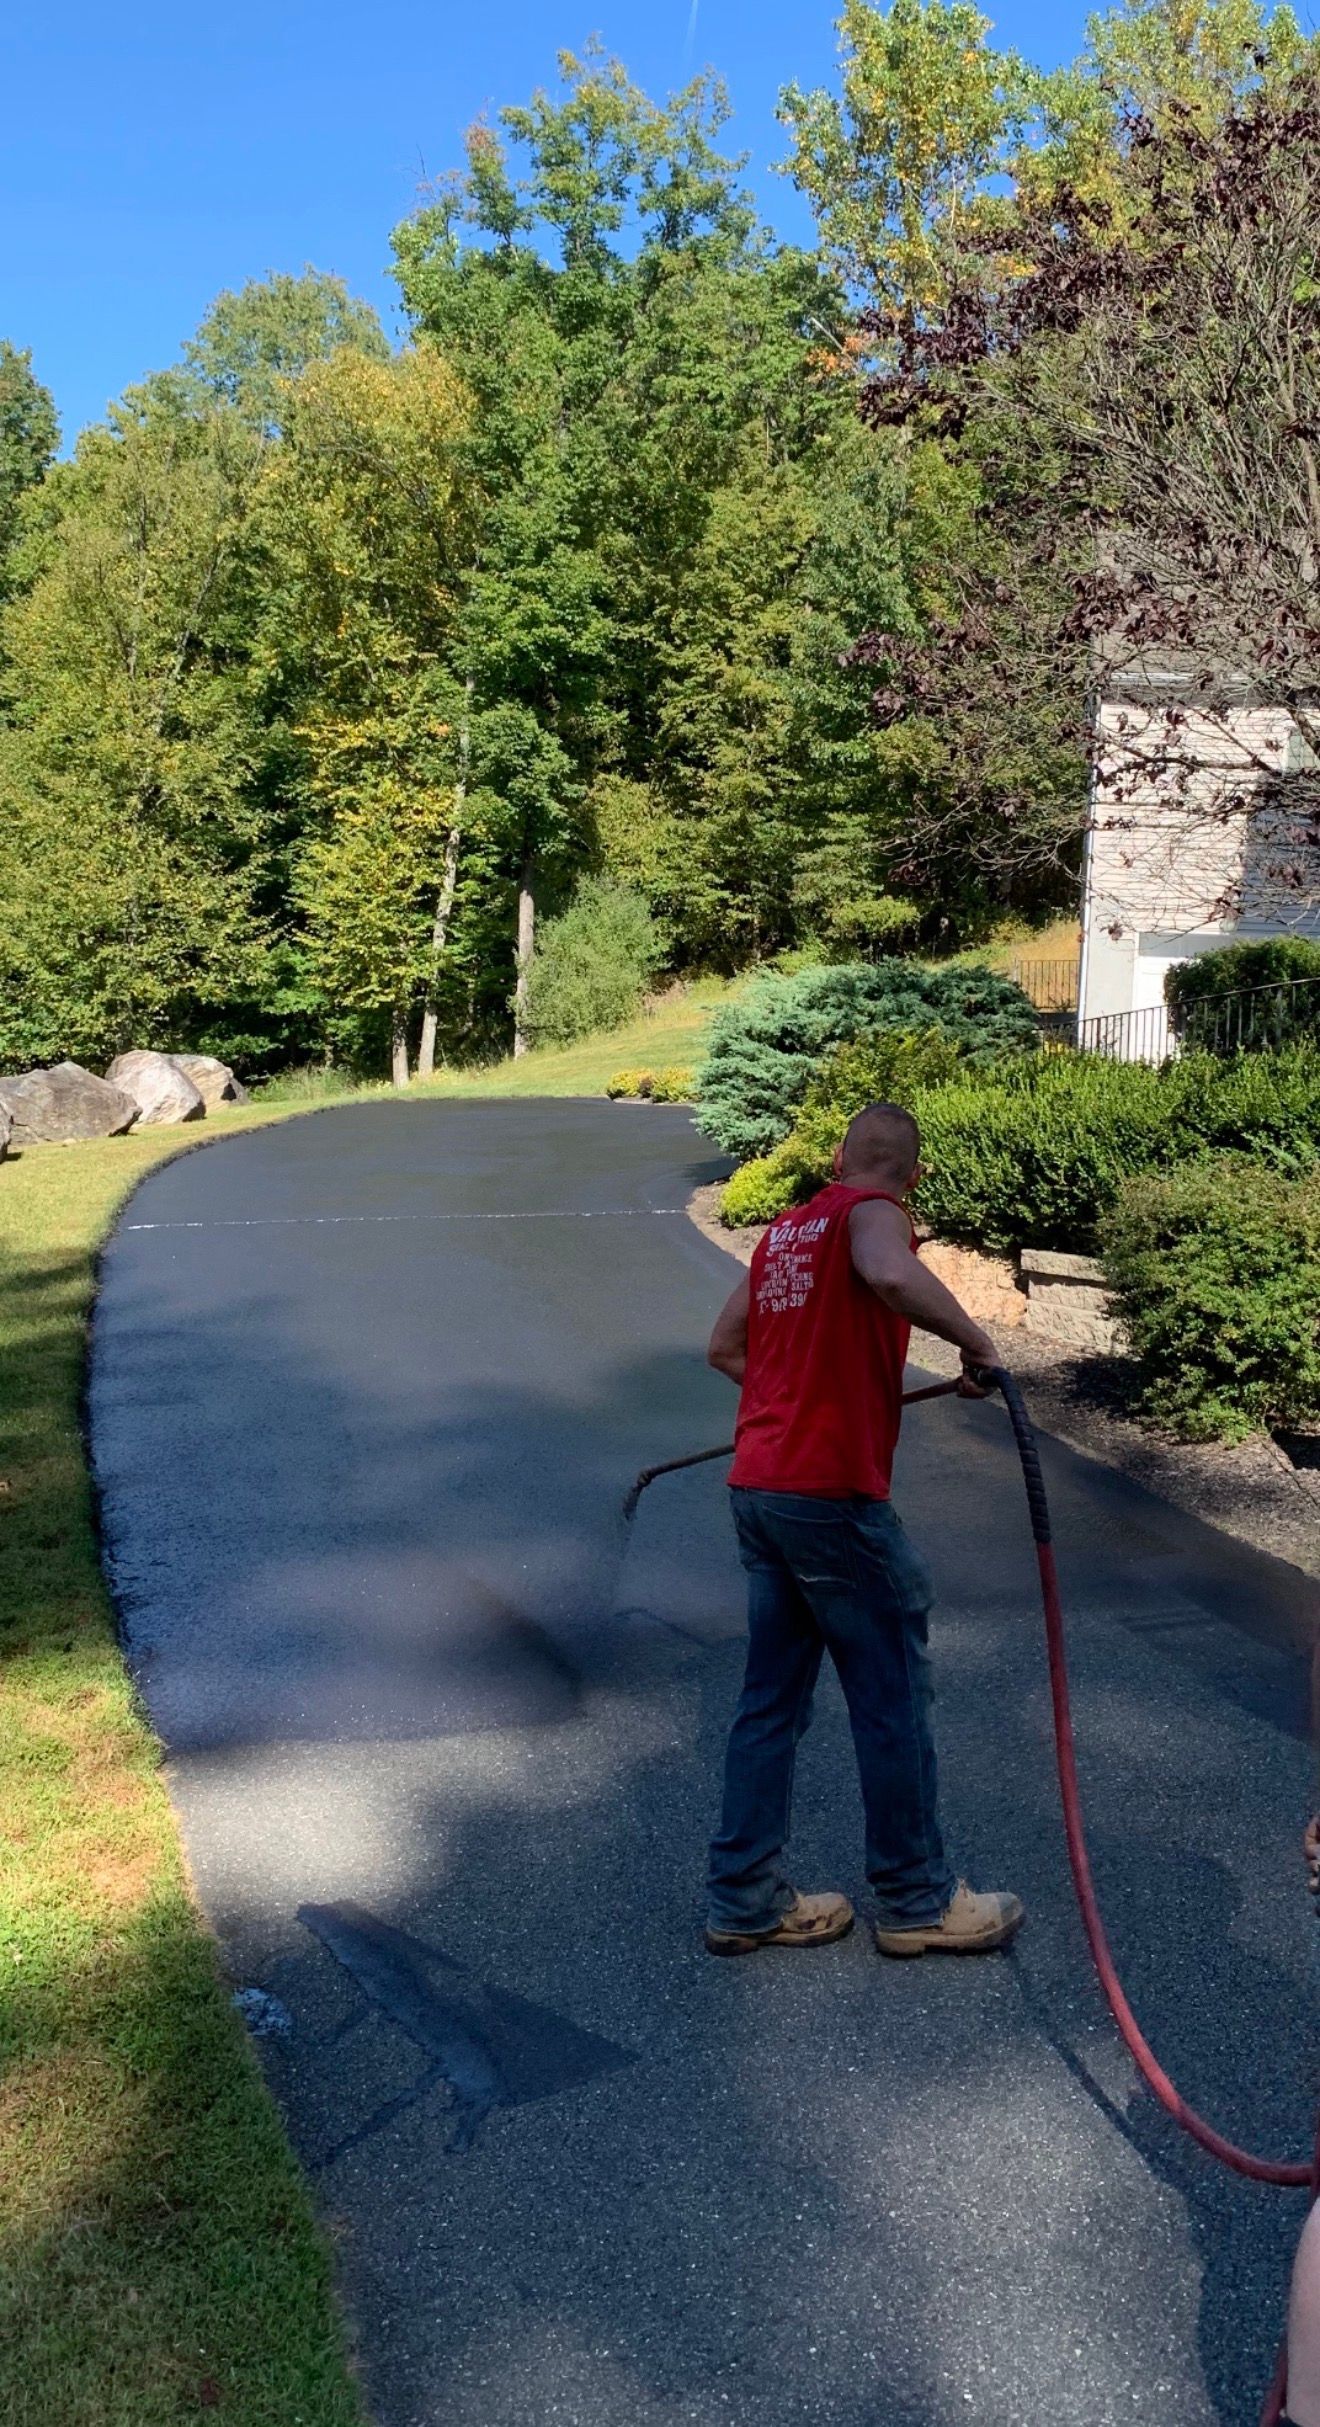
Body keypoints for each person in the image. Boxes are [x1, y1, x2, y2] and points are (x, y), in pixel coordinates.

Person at [703, 1098, 1024, 1960]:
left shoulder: (786, 1231)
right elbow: (888, 1273)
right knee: (891, 1696)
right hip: (830, 1498)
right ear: (912, 1176)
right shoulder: (875, 1213)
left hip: (760, 1488)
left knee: (769, 1703)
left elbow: (725, 1347)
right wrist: (978, 1343)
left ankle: (743, 1899)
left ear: (839, 1157)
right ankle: (917, 1898)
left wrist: (797, 1395)